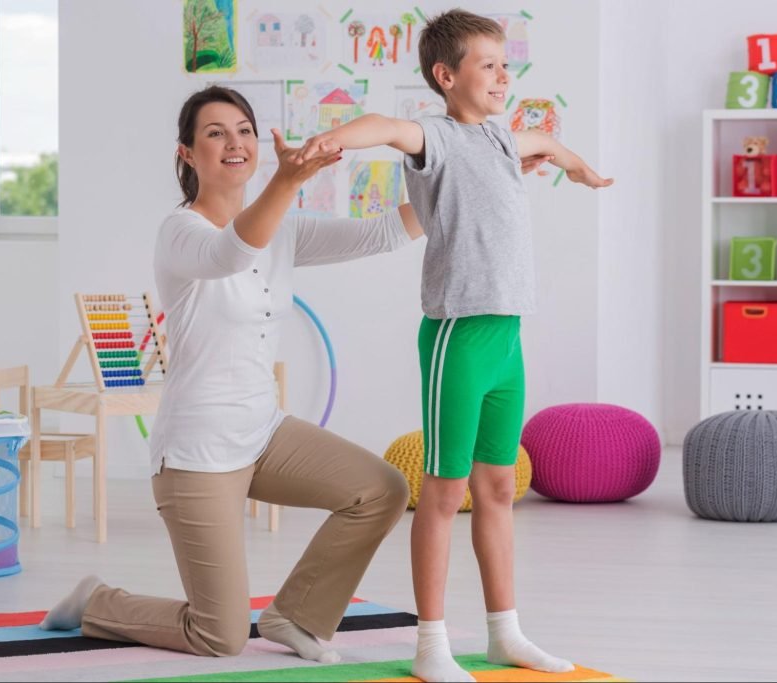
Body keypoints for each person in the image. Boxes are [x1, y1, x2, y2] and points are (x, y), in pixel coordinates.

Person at [37, 85, 419, 664]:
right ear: (187, 154)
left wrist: (479, 172)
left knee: (381, 489)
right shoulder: (180, 231)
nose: (234, 143)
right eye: (215, 133)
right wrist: (288, 182)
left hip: (263, 433)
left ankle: (297, 616)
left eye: (243, 129)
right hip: (196, 452)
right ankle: (97, 601)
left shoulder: (282, 227)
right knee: (219, 635)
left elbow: (384, 232)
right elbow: (231, 254)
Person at [296, 9, 614, 682]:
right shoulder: (432, 137)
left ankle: (506, 633)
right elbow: (381, 127)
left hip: (508, 337)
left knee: (498, 486)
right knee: (443, 492)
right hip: (457, 336)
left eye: (506, 64)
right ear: (446, 76)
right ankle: (431, 643)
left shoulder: (501, 141)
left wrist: (581, 169)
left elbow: (547, 145)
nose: (504, 76)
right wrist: (331, 139)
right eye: (488, 65)